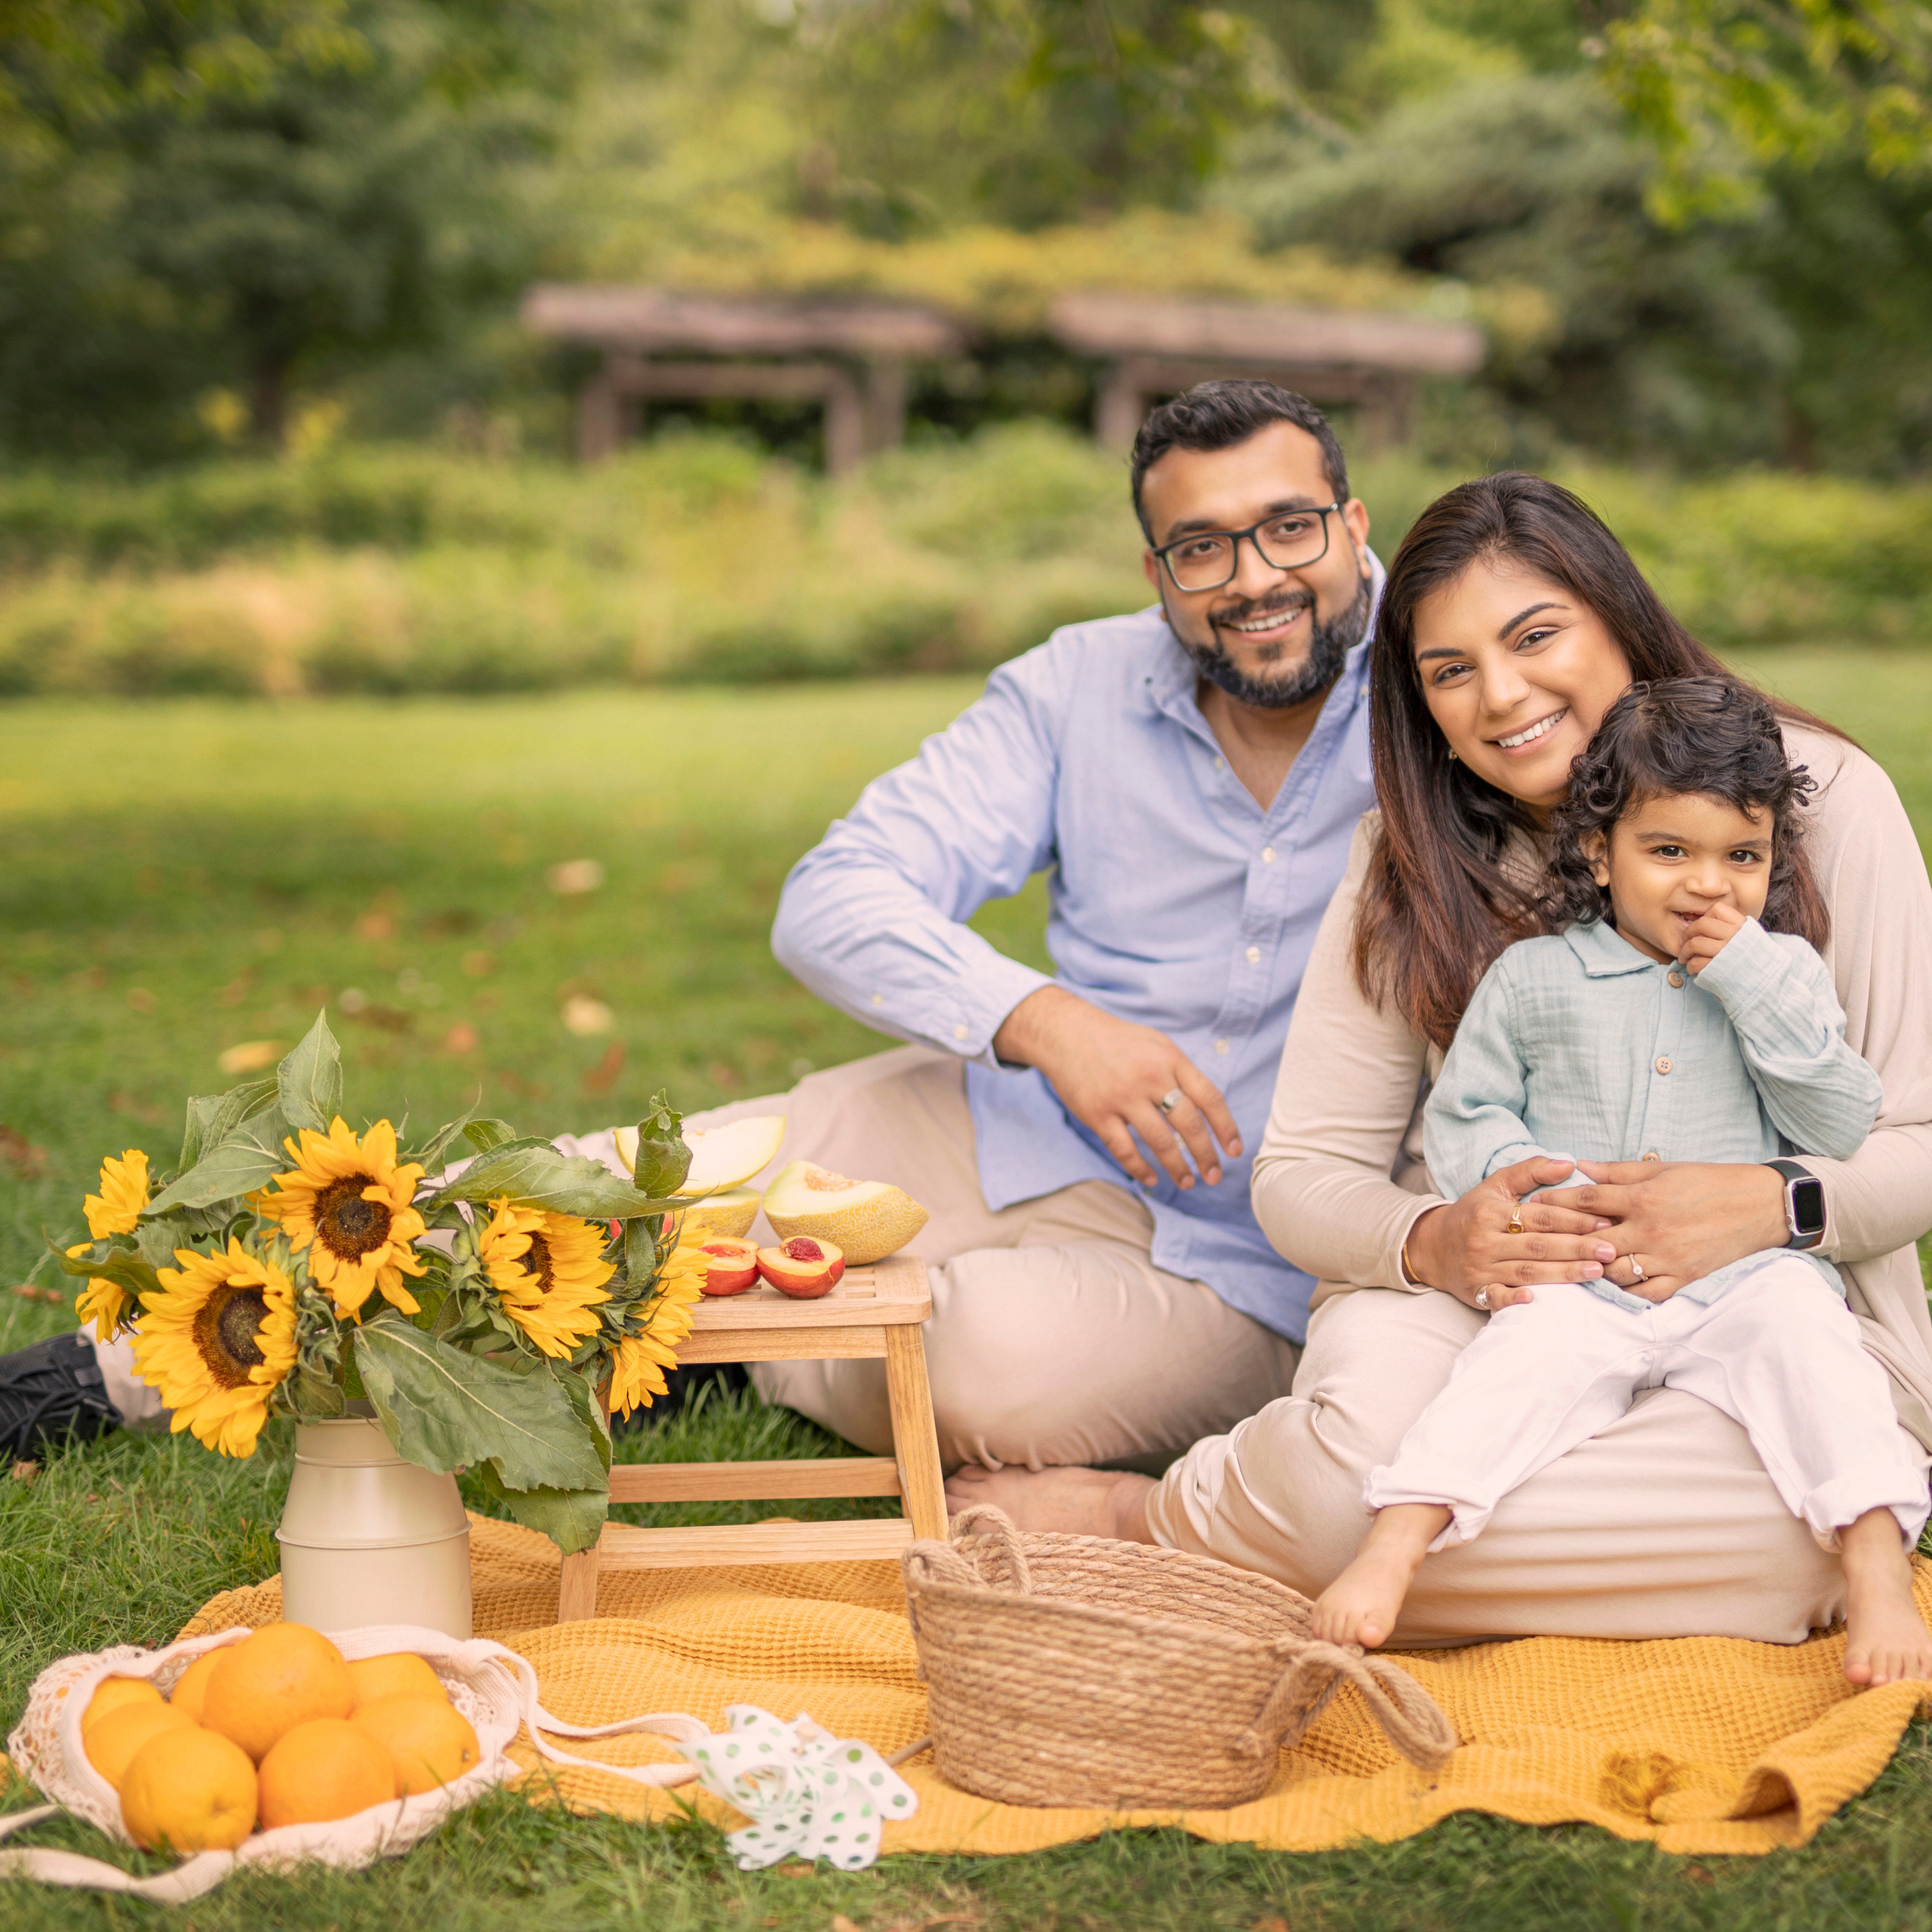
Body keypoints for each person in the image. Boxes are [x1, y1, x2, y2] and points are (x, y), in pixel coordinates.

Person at [4, 380, 1386, 1474]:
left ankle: (697, 1341)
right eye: (1201, 547)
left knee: (974, 1378)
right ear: (1158, 574)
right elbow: (834, 896)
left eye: (1287, 528)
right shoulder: (1078, 684)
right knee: (587, 1189)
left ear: (1354, 526)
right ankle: (109, 1369)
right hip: (1014, 1123)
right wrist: (1045, 1021)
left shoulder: (1445, 694)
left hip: (1250, 1260)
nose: (1251, 576)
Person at [951, 472, 1932, 1648]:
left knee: (1790, 1528)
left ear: (1619, 617)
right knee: (1348, 1489)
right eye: (1449, 670)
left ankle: (1260, 1544)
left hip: (1774, 1299)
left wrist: (1773, 1204)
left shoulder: (1819, 802)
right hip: (1494, 1297)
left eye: (1535, 637)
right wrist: (1436, 1240)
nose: (1501, 696)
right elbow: (1305, 1175)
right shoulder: (1406, 859)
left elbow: (1914, 1141)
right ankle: (1170, 1516)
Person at [1308, 677, 1932, 1684]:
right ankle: (1396, 1545)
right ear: (1600, 853)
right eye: (1669, 851)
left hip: (1746, 1279)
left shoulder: (1784, 977)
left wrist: (1751, 982)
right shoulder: (1536, 978)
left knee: (1816, 1353)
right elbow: (1467, 1112)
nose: (1708, 885)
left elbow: (1839, 1120)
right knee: (1511, 1369)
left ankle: (1872, 1567)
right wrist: (1526, 1187)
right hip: (1583, 1275)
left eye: (1742, 856)